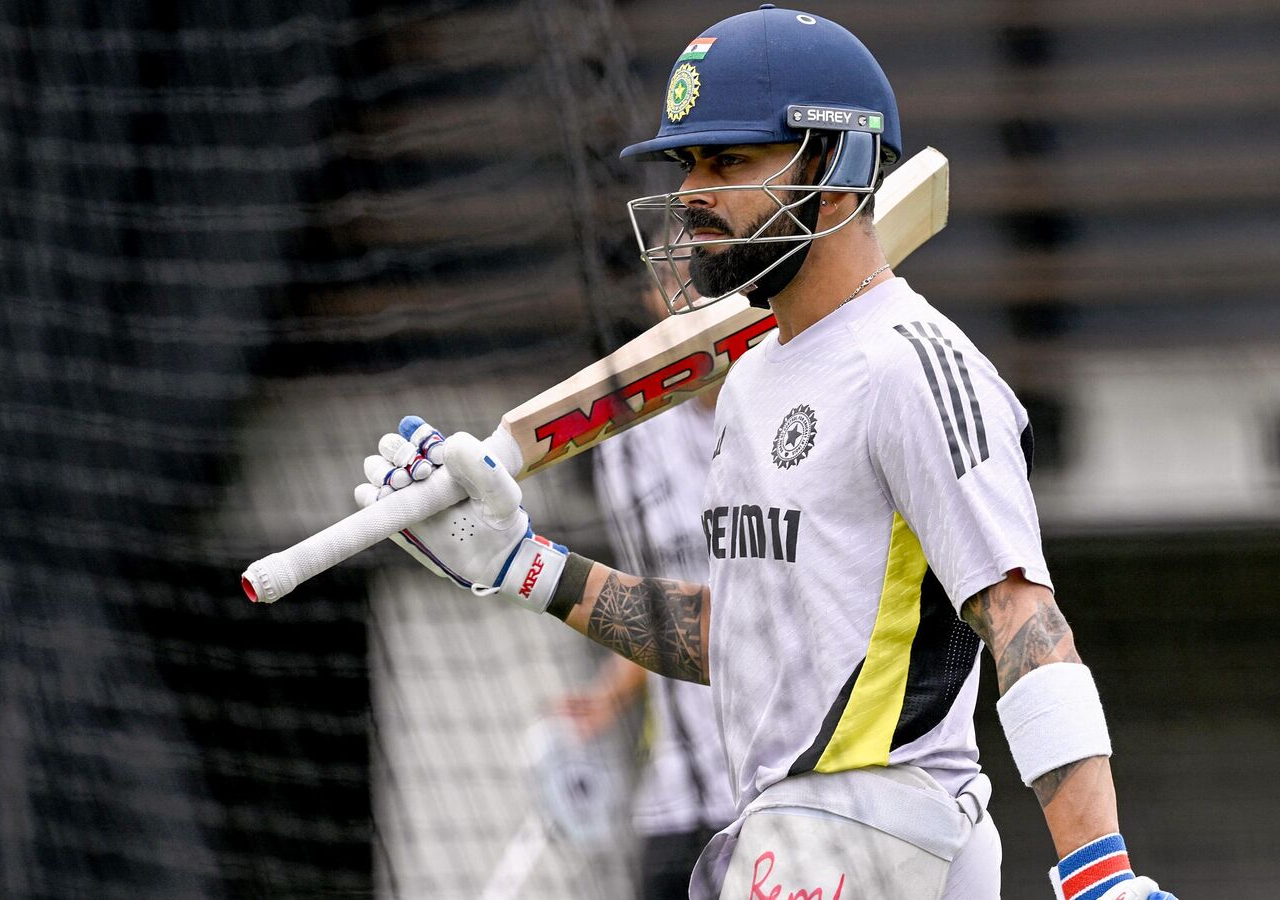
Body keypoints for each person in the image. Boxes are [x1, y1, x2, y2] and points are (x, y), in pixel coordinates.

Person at [355, 7, 1176, 899]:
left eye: (730, 160)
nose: (694, 194)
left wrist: (1100, 872)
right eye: (690, 165)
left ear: (841, 168)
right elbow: (739, 637)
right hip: (782, 833)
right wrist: (521, 564)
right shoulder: (750, 383)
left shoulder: (910, 365)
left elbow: (1025, 622)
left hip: (881, 828)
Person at [555, 323, 735, 899]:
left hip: (779, 790)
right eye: (668, 276)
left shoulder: (789, 419)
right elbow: (667, 612)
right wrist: (607, 696)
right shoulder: (630, 448)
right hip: (675, 800)